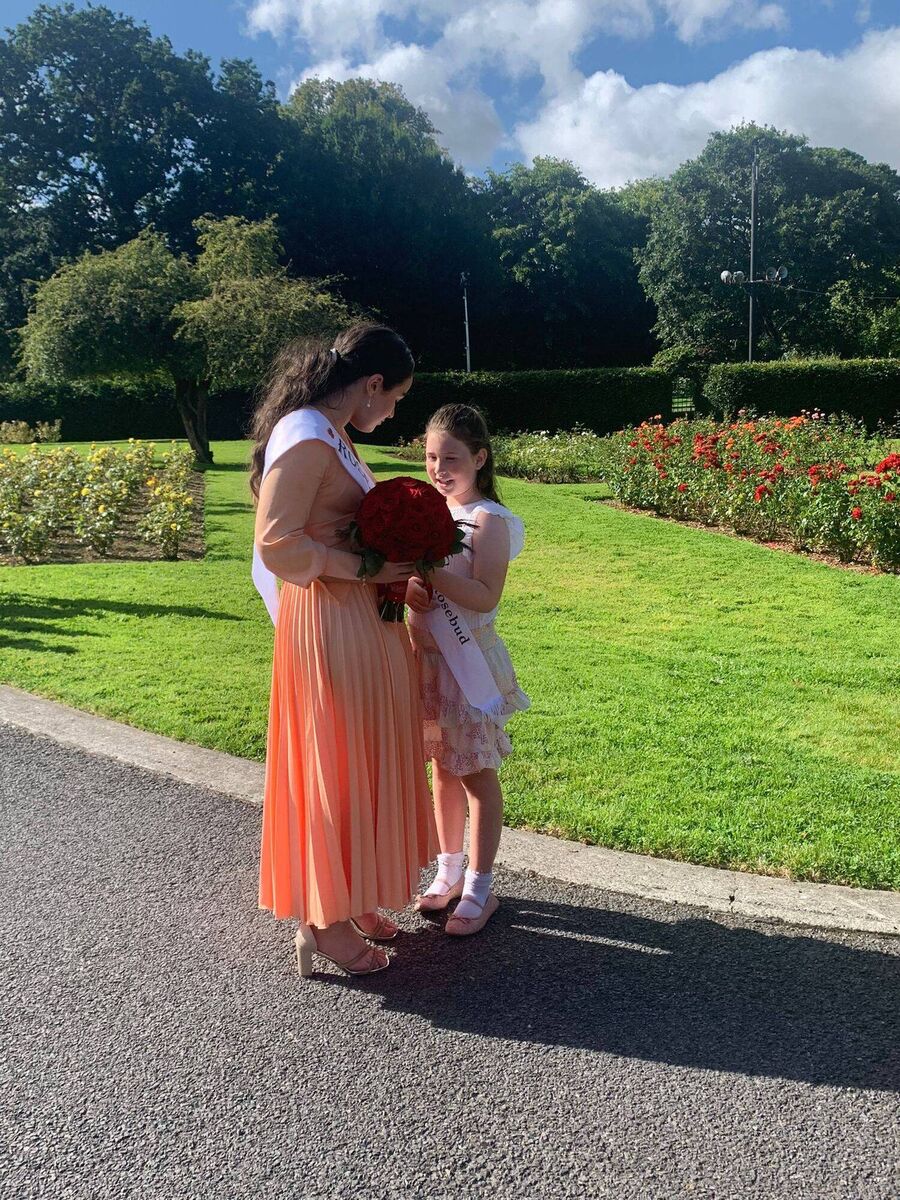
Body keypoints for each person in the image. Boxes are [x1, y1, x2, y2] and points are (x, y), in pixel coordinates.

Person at [250, 324, 436, 977]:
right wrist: (366, 567)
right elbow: (277, 543)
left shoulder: (332, 436)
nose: (394, 412)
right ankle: (322, 924)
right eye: (395, 398)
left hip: (358, 618)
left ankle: (348, 899)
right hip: (331, 622)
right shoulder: (306, 436)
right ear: (371, 384)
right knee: (340, 760)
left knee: (359, 759)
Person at [406, 404, 529, 936]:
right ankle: (447, 871)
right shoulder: (425, 514)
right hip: (428, 663)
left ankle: (480, 886)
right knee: (442, 767)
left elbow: (484, 594)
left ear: (480, 458)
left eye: (451, 457)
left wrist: (430, 572)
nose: (438, 467)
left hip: (469, 663)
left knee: (476, 771)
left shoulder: (488, 521)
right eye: (431, 456)